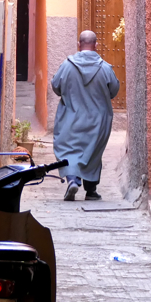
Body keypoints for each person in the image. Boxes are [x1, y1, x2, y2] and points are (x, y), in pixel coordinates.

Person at [51, 30, 120, 201]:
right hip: (98, 120)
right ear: (96, 45)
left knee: (69, 149)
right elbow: (114, 90)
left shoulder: (67, 66)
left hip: (71, 118)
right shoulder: (105, 68)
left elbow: (56, 86)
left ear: (78, 44)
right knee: (93, 153)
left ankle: (73, 180)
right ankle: (91, 191)